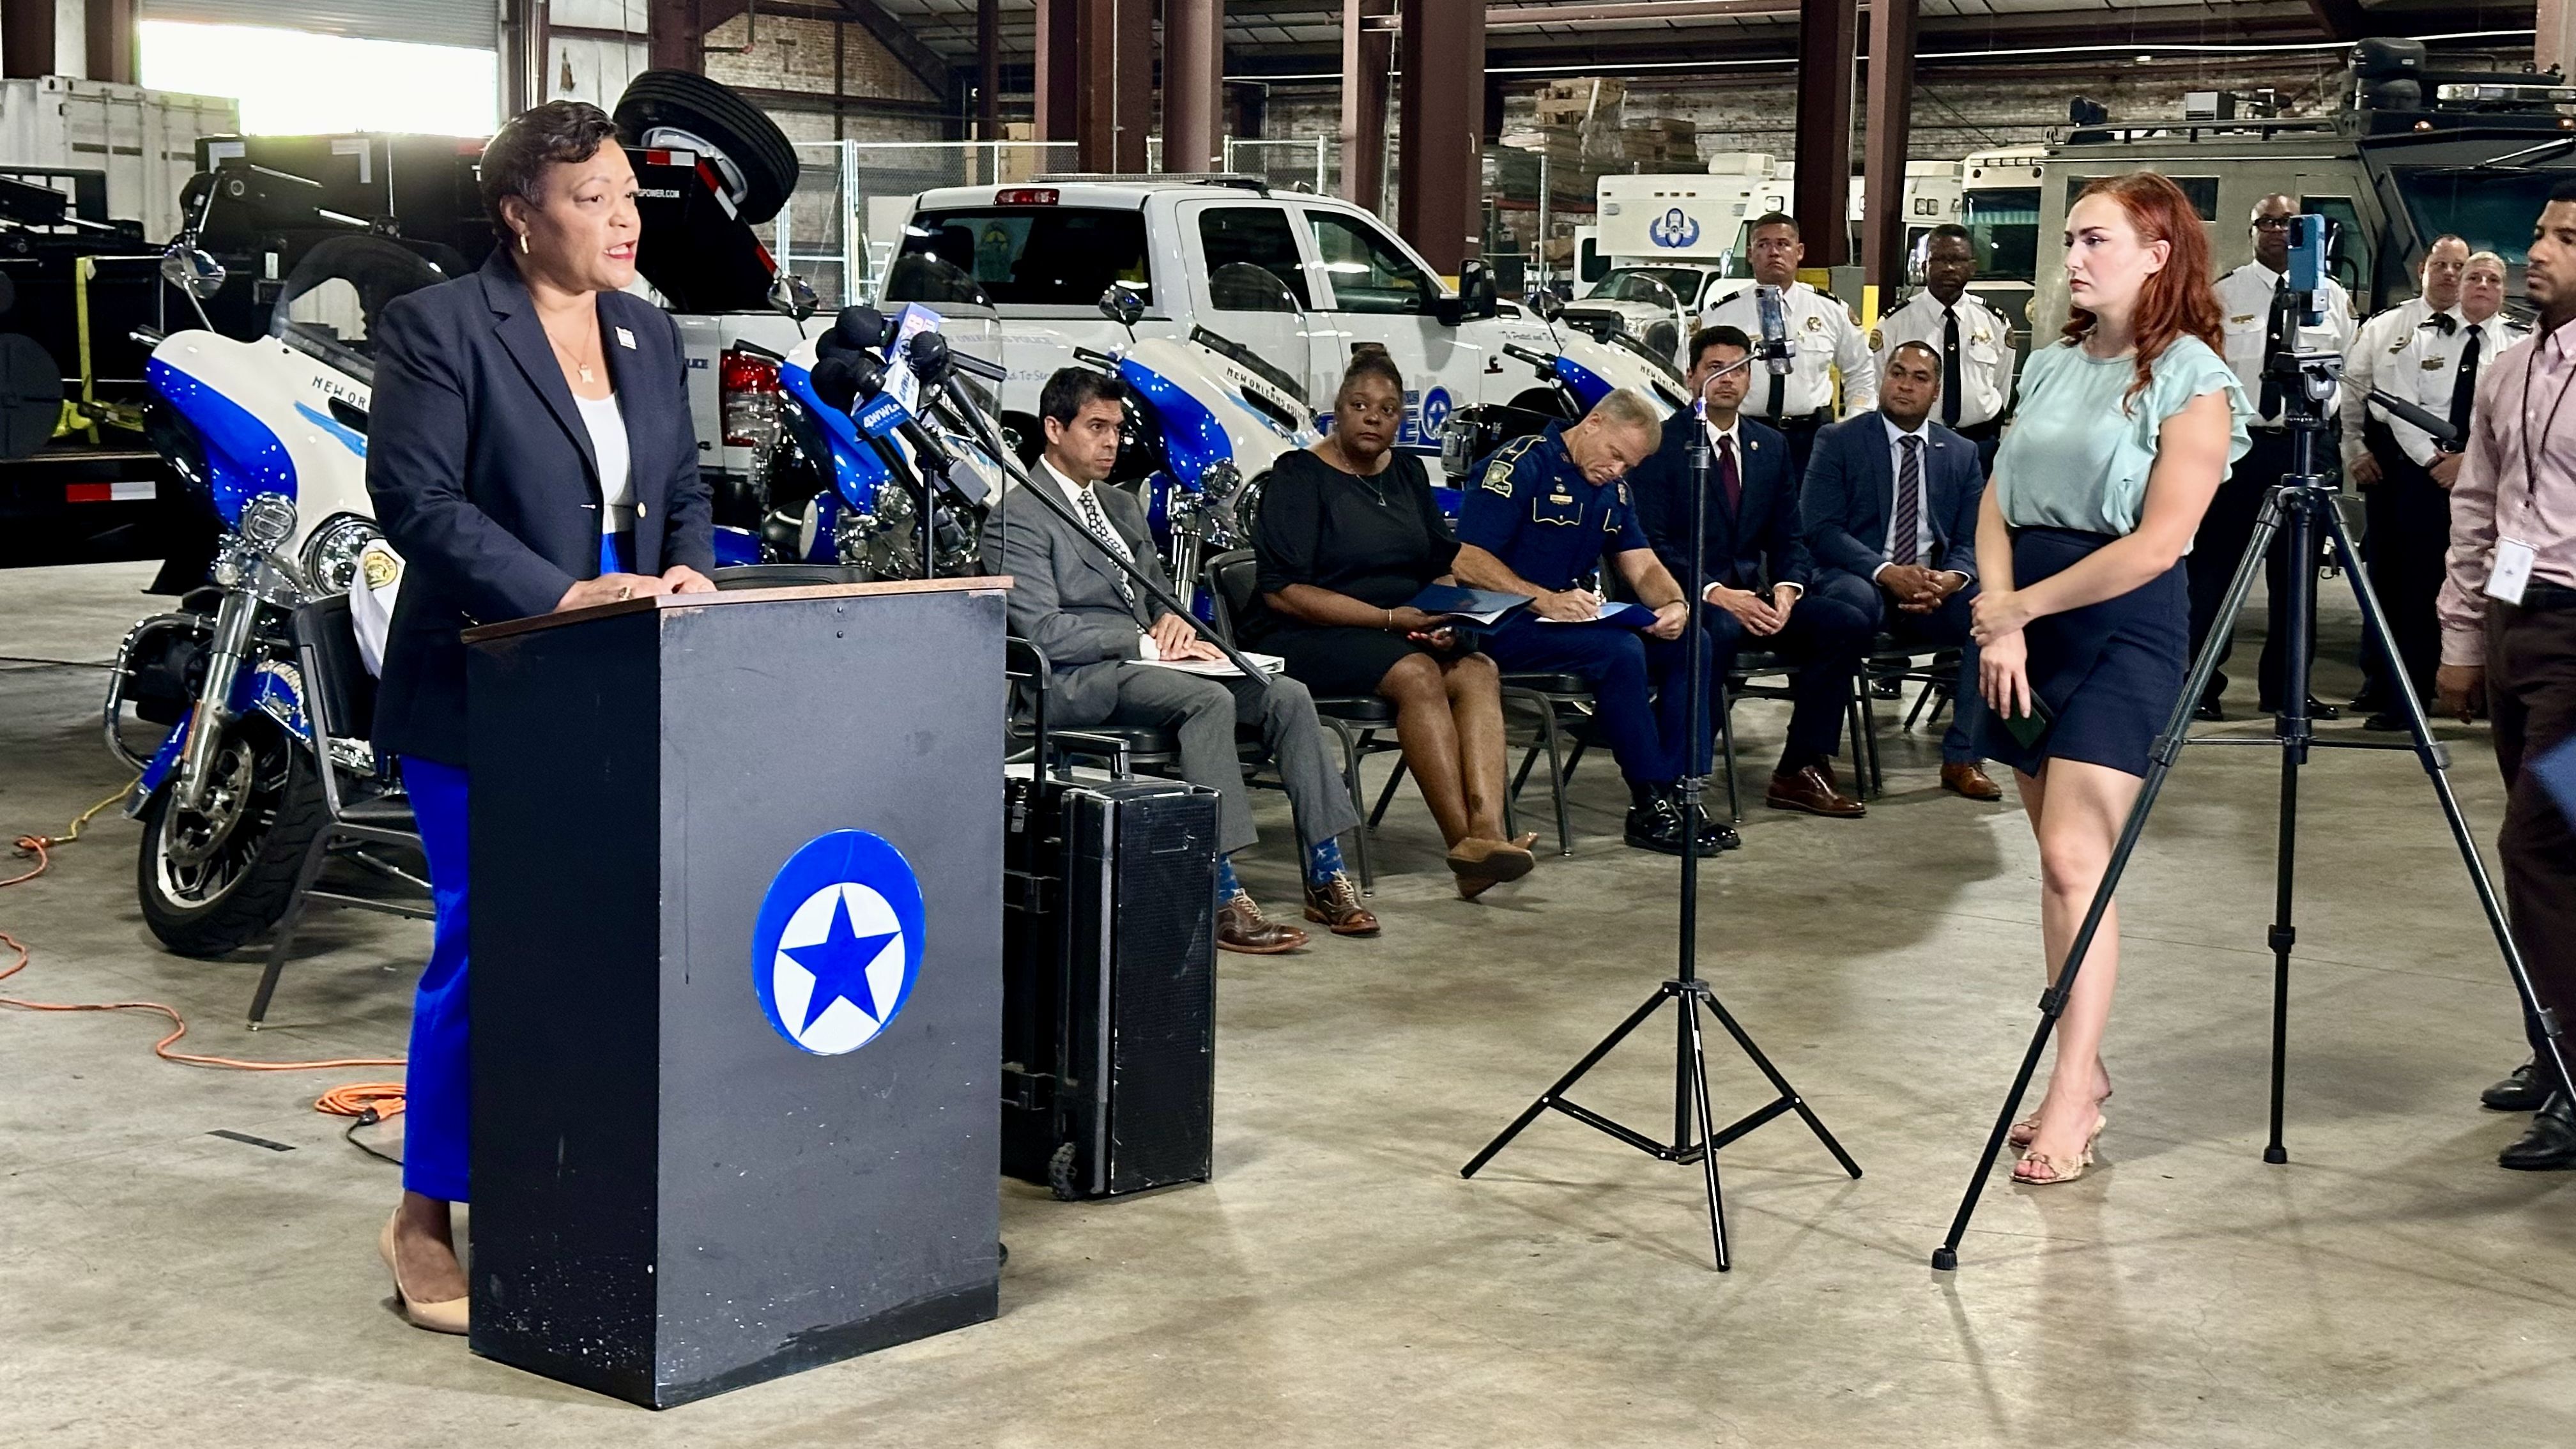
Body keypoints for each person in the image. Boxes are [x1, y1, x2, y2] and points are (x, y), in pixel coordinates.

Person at [365, 101, 719, 1332]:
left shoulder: (647, 325)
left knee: (613, 943)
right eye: (590, 198)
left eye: (628, 193)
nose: (622, 218)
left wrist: (687, 566)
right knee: (486, 942)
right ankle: (424, 1212)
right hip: (484, 685)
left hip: (623, 682)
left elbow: (678, 479)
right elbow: (413, 497)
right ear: (520, 215)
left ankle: (576, 1177)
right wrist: (558, 593)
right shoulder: (439, 328)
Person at [1967, 172, 2251, 1184]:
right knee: (2051, 865)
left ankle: (2072, 1090)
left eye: (2095, 240)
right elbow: (1996, 502)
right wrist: (2000, 621)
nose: (2074, 258)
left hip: (2120, 623)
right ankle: (2079, 1071)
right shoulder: (2048, 365)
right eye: (2072, 241)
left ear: (2156, 254)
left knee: (2079, 863)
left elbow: (2163, 543)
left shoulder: (2194, 379)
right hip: (2023, 623)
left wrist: (2023, 612)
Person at [997, 367, 1373, 948]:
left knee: (1286, 694)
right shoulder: (1017, 515)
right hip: (1078, 679)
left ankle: (1325, 873)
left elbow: (1157, 597)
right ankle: (1222, 892)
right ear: (1053, 428)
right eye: (1095, 427)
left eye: (1117, 429)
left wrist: (1171, 619)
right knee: (1206, 701)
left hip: (1150, 664)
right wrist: (1143, 643)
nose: (1111, 442)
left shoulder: (1121, 507)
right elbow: (1043, 631)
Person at [1249, 351, 1537, 898]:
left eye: (1387, 410)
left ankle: (1489, 832)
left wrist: (1450, 618)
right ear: (1337, 411)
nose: (1373, 418)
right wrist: (1389, 619)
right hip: (1309, 633)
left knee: (1476, 667)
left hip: (1403, 626)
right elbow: (1283, 591)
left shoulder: (1406, 472)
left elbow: (1439, 564)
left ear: (1400, 420)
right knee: (1418, 675)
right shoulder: (1299, 475)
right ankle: (1467, 853)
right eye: (1360, 406)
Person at [2435, 179, 2576, 1171]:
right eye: (2539, 233)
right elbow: (2479, 503)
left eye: (2564, 238)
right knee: (2545, 858)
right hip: (2516, 628)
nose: (2538, 250)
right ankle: (2552, 1045)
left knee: (2546, 846)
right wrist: (2462, 638)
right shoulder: (2514, 365)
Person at [1448, 390, 1713, 855]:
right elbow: (1467, 560)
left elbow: (1643, 565)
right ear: (1593, 423)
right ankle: (1650, 801)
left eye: (1629, 466)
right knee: (1619, 652)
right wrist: (1543, 599)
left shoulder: (1613, 492)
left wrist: (1674, 604)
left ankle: (1681, 792)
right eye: (1615, 456)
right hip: (1499, 624)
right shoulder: (1519, 466)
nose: (1618, 470)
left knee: (1694, 642)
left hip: (1566, 623)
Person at [1632, 326, 1872, 821]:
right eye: (1714, 368)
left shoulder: (1770, 446)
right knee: (1716, 629)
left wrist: (1787, 590)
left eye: (1738, 368)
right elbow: (1652, 545)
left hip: (1756, 598)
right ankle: (1681, 771)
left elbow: (1790, 535)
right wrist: (1717, 592)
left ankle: (1799, 768)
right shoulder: (1662, 443)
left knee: (1843, 622)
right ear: (1691, 376)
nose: (1727, 379)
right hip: (1688, 596)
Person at [1802, 339, 2000, 801]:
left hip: (1932, 589)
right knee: (1847, 610)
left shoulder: (1961, 452)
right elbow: (1821, 529)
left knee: (1988, 617)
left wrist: (1954, 579)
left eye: (1919, 378)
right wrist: (1886, 570)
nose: (1905, 385)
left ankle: (1963, 757)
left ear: (1936, 392)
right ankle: (1813, 760)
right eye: (1897, 373)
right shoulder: (1839, 440)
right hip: (1860, 578)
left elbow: (1973, 539)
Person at [2193, 192, 2358, 720]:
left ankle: (2288, 690)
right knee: (2215, 573)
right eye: (2266, 222)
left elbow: (2347, 370)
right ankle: (2200, 687)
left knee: (2297, 576)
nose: (2278, 231)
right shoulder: (2223, 295)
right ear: (2252, 232)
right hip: (2242, 447)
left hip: (2305, 444)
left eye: (2289, 223)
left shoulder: (2332, 297)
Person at [2354, 250, 2523, 730]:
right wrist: (2435, 461)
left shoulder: (2518, 346)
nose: (2482, 284)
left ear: (2503, 288)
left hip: (2492, 484)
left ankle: (2490, 697)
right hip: (2426, 482)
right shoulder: (2417, 339)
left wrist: (2468, 465)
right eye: (2474, 276)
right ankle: (2406, 698)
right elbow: (2399, 410)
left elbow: (2516, 421)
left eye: (2493, 278)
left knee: (2498, 591)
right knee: (2416, 591)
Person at [2343, 235, 2471, 719]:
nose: (2450, 274)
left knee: (2442, 582)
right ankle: (2382, 681)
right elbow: (2355, 393)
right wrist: (2353, 449)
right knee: (2389, 581)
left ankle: (2432, 683)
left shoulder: (2488, 334)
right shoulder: (2386, 327)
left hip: (2466, 474)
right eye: (2441, 264)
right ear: (2423, 268)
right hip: (2397, 472)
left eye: (2460, 266)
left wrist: (2469, 464)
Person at [1700, 213, 1877, 479]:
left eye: (1783, 244)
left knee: (1809, 516)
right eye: (1763, 245)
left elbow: (1862, 373)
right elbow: (1693, 380)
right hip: (1745, 435)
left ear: (1800, 251)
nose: (1774, 252)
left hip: (1812, 439)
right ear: (1750, 254)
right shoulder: (1721, 315)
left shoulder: (1831, 311)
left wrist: (1851, 430)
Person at [1871, 222, 2018, 473]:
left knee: (1977, 513)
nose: (1949, 268)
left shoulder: (1994, 322)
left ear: (1972, 267)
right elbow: (1879, 387)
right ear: (1924, 266)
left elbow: (2000, 388)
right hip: (1915, 443)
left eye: (1958, 260)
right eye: (1939, 259)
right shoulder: (1895, 323)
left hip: (1980, 445)